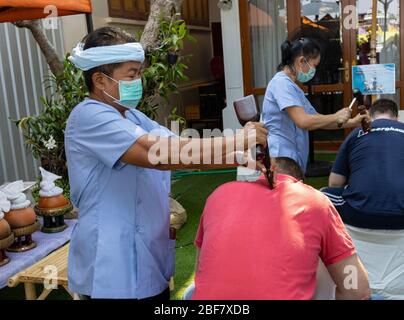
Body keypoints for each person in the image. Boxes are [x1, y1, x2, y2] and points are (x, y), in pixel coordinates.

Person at [65, 27, 268, 300]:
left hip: (148, 256)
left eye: (139, 72)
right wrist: (239, 139)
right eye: (132, 74)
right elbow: (160, 155)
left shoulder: (133, 117)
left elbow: (184, 153)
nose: (139, 80)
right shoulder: (87, 117)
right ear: (100, 80)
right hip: (111, 265)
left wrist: (244, 158)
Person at [192, 158, 371, 300]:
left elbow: (200, 269)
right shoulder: (313, 199)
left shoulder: (217, 195)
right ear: (299, 182)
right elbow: (357, 289)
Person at [322, 99, 404, 299]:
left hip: (359, 212)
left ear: (370, 115)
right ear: (397, 117)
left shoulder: (357, 134)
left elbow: (335, 183)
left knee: (322, 195)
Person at [262, 38, 368, 174]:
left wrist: (352, 122)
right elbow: (303, 121)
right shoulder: (281, 84)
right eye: (314, 65)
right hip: (280, 158)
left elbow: (317, 119)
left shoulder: (293, 88)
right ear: (301, 61)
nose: (314, 70)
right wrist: (335, 117)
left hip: (290, 156)